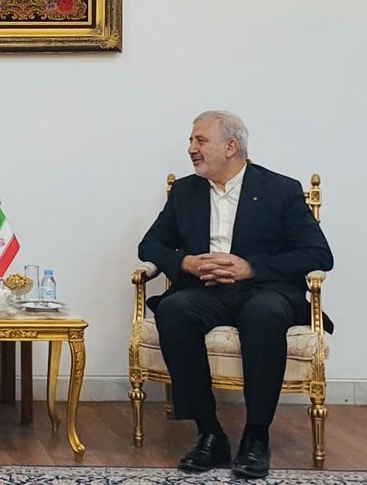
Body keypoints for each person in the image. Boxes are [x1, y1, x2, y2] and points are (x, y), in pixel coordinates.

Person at [138, 110, 333, 479]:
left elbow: (318, 255)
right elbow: (150, 245)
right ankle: (209, 433)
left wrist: (251, 267)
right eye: (191, 140)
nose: (191, 148)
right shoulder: (185, 191)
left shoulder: (280, 190)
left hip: (264, 290)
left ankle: (256, 437)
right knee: (174, 310)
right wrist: (187, 263)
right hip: (206, 290)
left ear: (230, 147)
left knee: (264, 315)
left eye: (200, 140)